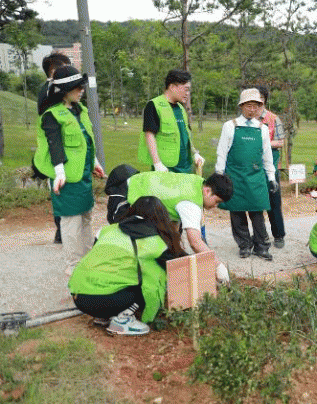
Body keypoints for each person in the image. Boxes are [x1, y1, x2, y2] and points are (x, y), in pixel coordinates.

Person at [69, 196, 186, 335]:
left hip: (78, 296)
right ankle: (122, 320)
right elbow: (167, 273)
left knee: (119, 274)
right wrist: (148, 318)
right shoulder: (153, 241)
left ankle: (104, 315)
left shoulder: (106, 230)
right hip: (106, 299)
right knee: (147, 276)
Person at [33, 66, 106, 276]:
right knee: (71, 221)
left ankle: (88, 261)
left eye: (81, 86)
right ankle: (74, 266)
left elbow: (86, 140)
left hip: (83, 175)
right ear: (65, 90)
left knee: (86, 217)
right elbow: (54, 145)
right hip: (66, 178)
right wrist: (59, 173)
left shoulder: (80, 110)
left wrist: (95, 162)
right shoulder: (52, 115)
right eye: (77, 87)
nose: (81, 90)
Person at [105, 166, 233, 282]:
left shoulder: (198, 182)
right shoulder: (191, 204)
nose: (215, 206)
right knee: (135, 242)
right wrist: (218, 265)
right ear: (207, 191)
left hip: (136, 188)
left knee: (165, 244)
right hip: (124, 199)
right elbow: (195, 242)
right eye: (217, 201)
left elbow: (173, 225)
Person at [216, 88, 277, 261]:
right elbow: (222, 152)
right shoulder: (230, 126)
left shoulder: (262, 129)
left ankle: (261, 246)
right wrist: (219, 175)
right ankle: (244, 245)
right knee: (237, 213)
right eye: (249, 105)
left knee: (257, 213)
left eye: (256, 106)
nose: (252, 109)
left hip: (256, 177)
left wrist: (271, 177)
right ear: (241, 106)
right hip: (234, 176)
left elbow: (267, 156)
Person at [138, 69, 205, 173]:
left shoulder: (181, 108)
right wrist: (157, 163)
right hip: (166, 169)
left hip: (185, 167)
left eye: (189, 90)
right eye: (186, 89)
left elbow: (185, 135)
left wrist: (195, 153)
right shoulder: (154, 105)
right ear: (172, 87)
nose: (187, 94)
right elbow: (149, 135)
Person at [37, 52, 71, 244]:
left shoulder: (53, 89)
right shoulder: (50, 92)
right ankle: (62, 232)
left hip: (61, 148)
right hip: (55, 150)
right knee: (59, 189)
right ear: (55, 71)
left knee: (62, 190)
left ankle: (63, 231)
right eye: (66, 68)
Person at [256, 85, 286, 249]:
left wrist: (262, 143)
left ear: (265, 100)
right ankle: (260, 236)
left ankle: (279, 235)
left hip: (270, 167)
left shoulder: (273, 119)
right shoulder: (245, 119)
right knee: (255, 204)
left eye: (260, 97)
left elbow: (280, 142)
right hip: (251, 168)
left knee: (273, 202)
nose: (257, 101)